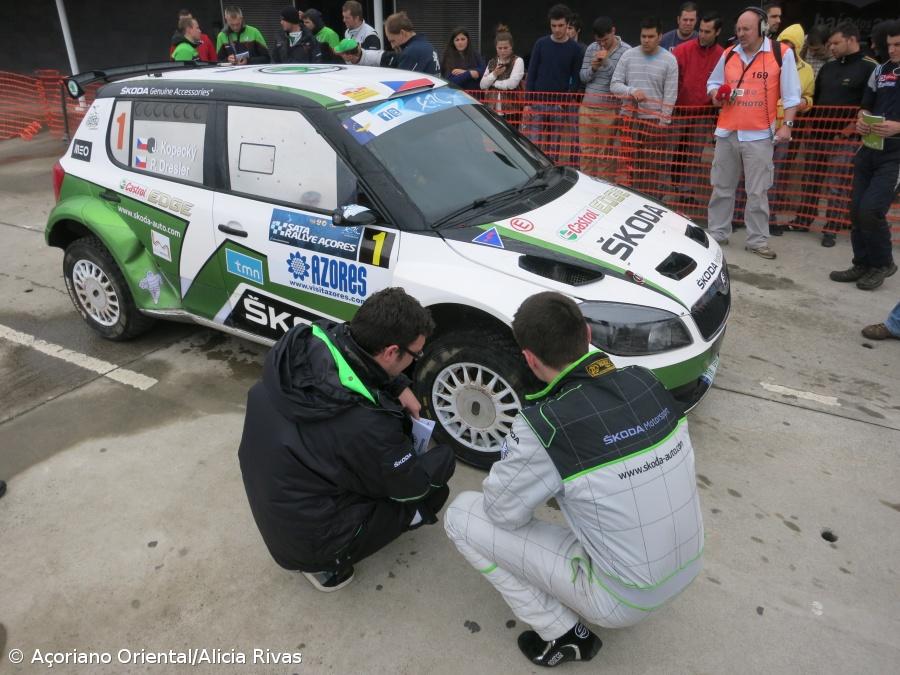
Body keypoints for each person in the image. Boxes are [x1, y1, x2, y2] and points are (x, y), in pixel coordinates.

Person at [444, 291, 703, 668]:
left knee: (463, 515)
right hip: (688, 565)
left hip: (625, 599)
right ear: (586, 333)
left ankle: (562, 634)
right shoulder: (645, 381)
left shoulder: (546, 425)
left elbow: (501, 514)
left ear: (530, 359)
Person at [239, 288, 456, 592]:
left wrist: (397, 385)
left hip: (279, 497)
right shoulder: (367, 424)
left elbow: (359, 364)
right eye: (415, 355)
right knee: (432, 492)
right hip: (307, 541)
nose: (415, 360)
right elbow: (412, 486)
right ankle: (327, 565)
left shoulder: (306, 343)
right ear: (392, 351)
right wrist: (444, 455)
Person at [705, 7, 801, 260]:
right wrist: (716, 93)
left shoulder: (781, 54)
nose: (741, 33)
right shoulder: (729, 54)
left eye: (746, 29)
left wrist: (787, 125)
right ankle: (717, 234)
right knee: (721, 187)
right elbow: (713, 83)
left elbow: (792, 95)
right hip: (727, 132)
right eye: (738, 29)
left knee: (758, 192)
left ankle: (757, 240)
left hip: (759, 136)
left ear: (762, 28)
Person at [789, 22, 878, 245]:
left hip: (846, 138)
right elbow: (816, 99)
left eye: (836, 43)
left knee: (837, 184)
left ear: (852, 40)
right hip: (819, 134)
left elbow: (870, 104)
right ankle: (803, 219)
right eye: (830, 44)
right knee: (811, 179)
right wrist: (810, 126)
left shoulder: (870, 68)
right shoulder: (829, 67)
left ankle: (832, 227)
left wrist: (849, 131)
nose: (832, 48)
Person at [829, 21, 900, 291]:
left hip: (895, 154)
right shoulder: (880, 70)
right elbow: (866, 104)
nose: (892, 50)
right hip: (868, 148)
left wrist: (898, 127)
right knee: (856, 210)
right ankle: (862, 263)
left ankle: (882, 263)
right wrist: (860, 121)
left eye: (898, 45)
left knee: (871, 210)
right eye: (889, 44)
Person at [610, 16, 678, 197]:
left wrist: (664, 122)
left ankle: (650, 199)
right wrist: (631, 91)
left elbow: (670, 94)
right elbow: (614, 85)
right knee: (629, 162)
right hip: (629, 119)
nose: (646, 40)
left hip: (654, 121)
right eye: (643, 36)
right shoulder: (628, 55)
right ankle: (632, 197)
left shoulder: (670, 60)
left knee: (651, 165)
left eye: (650, 36)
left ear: (660, 36)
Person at [768, 23, 815, 236]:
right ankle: (740, 214)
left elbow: (808, 95)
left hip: (784, 130)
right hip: (762, 127)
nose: (785, 49)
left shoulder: (806, 70)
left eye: (790, 45)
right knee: (747, 174)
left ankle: (771, 217)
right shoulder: (768, 61)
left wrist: (804, 102)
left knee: (777, 176)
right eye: (782, 44)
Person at [671, 11, 724, 197]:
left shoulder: (722, 55)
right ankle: (662, 188)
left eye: (707, 31)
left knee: (694, 154)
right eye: (700, 30)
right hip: (678, 110)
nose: (702, 34)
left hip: (703, 113)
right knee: (670, 150)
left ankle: (687, 191)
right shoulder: (682, 50)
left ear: (717, 32)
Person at [525, 4, 582, 160]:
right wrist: (528, 102)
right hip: (537, 102)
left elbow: (576, 80)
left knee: (554, 148)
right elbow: (532, 73)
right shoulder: (541, 44)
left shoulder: (575, 49)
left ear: (568, 24)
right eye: (553, 25)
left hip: (558, 105)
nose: (557, 29)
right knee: (534, 145)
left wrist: (563, 103)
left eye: (561, 25)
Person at [578, 16, 630, 177]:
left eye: (605, 40)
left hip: (609, 110)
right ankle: (586, 189)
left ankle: (604, 187)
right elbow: (583, 77)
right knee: (586, 152)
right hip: (587, 107)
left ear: (613, 31)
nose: (602, 44)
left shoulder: (627, 51)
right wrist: (592, 69)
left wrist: (606, 62)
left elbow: (621, 81)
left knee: (605, 154)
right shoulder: (591, 48)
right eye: (599, 41)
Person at [480, 25, 526, 123]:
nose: (502, 51)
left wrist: (493, 83)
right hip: (492, 108)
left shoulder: (518, 61)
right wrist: (495, 74)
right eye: (499, 48)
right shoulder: (492, 61)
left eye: (506, 48)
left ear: (511, 47)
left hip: (512, 109)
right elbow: (482, 84)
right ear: (496, 48)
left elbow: (512, 84)